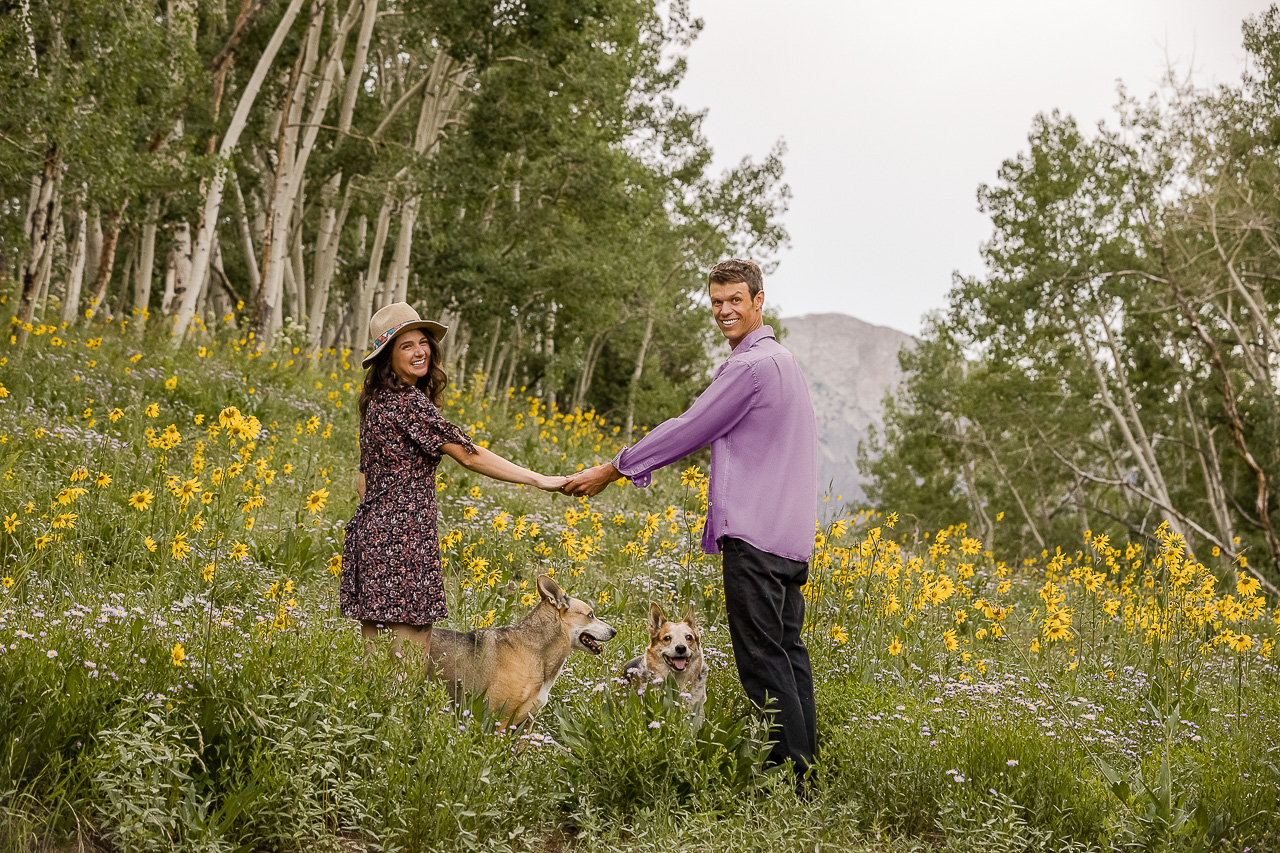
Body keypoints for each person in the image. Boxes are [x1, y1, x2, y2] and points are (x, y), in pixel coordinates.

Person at [563, 258, 819, 785]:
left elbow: (689, 427)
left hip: (757, 536)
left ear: (759, 300)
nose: (725, 310)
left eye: (735, 301)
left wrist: (615, 468)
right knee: (789, 657)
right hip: (792, 543)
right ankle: (807, 775)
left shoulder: (750, 368)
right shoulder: (784, 362)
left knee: (763, 663)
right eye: (717, 302)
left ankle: (792, 780)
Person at [342, 302, 567, 662]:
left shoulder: (377, 403)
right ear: (387, 358)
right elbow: (468, 453)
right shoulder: (407, 404)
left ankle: (374, 717)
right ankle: (397, 717)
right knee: (409, 658)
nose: (420, 352)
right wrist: (539, 480)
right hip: (403, 541)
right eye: (406, 346)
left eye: (422, 342)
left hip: (372, 536)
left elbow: (363, 481)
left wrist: (384, 522)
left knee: (377, 659)